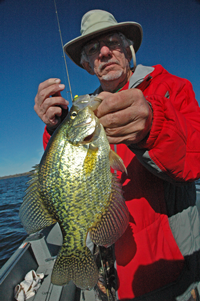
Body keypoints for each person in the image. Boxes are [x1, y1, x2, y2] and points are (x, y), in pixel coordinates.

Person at [34, 9, 200, 301]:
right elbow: (64, 172)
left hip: (171, 266)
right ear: (87, 65)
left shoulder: (171, 87)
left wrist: (153, 125)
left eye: (112, 42)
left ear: (128, 49)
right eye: (94, 49)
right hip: (112, 271)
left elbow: (194, 158)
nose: (105, 52)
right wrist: (56, 129)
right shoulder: (86, 112)